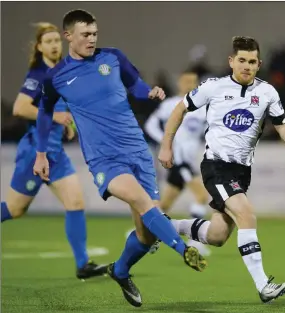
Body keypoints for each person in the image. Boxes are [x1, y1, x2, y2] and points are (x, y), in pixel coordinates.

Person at [33, 10, 207, 308]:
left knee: (145, 234)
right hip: (105, 160)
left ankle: (121, 270)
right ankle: (183, 249)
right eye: (85, 34)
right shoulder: (55, 77)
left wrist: (149, 91)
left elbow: (134, 85)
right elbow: (44, 112)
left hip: (137, 151)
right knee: (143, 202)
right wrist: (41, 153)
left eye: (94, 33)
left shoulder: (112, 57)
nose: (92, 39)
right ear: (68, 36)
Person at [159, 36, 285, 303]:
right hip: (216, 166)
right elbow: (179, 109)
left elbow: (282, 123)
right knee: (246, 215)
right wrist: (166, 145)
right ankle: (264, 285)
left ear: (259, 64)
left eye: (252, 62)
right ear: (231, 61)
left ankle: (165, 226)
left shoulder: (267, 93)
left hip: (241, 172)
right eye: (242, 60)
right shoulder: (213, 87)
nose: (247, 66)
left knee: (217, 235)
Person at [1, 22, 108, 280]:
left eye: (56, 41)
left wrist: (67, 123)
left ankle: (83, 265)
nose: (53, 45)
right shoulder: (37, 75)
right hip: (34, 155)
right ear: (39, 47)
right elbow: (20, 108)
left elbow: (61, 108)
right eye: (47, 42)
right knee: (15, 210)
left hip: (55, 154)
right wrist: (56, 117)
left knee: (76, 202)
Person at [144, 70, 210, 256]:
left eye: (193, 81)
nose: (190, 84)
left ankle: (141, 232)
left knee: (164, 205)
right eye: (186, 81)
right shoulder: (171, 105)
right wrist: (166, 142)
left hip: (187, 160)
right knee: (201, 196)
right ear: (179, 83)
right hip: (178, 160)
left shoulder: (203, 107)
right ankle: (195, 241)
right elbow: (150, 124)